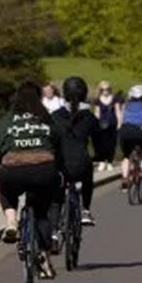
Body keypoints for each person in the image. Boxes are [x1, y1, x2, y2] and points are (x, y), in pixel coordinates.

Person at [0, 81, 63, 279]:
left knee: (7, 192)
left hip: (13, 169)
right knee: (42, 213)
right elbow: (57, 145)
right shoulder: (47, 119)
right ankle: (46, 259)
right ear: (39, 98)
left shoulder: (7, 120)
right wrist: (60, 169)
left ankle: (11, 222)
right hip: (44, 169)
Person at [52, 77, 99, 227]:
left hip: (60, 165)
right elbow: (99, 141)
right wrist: (100, 155)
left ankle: (54, 228)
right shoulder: (89, 117)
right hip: (81, 164)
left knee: (57, 194)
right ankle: (85, 210)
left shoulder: (55, 116)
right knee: (88, 176)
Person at [117, 84, 142, 191]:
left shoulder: (125, 106)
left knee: (126, 156)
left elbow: (120, 121)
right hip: (140, 131)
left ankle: (124, 177)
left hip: (126, 131)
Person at [92, 80, 118, 171]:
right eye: (103, 89)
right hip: (102, 124)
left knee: (111, 144)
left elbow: (118, 112)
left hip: (112, 124)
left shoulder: (114, 99)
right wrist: (95, 124)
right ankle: (102, 161)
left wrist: (119, 124)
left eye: (107, 89)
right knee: (102, 144)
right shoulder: (98, 100)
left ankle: (110, 161)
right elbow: (97, 112)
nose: (105, 91)